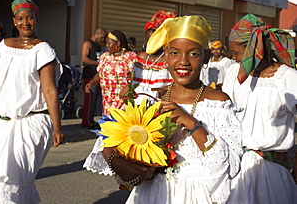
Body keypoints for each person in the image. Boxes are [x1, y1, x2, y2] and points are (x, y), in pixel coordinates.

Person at [84, 16, 242, 204]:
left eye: (193, 54)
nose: (183, 61)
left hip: (197, 196)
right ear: (166, 55)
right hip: (153, 194)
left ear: (206, 56)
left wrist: (190, 122)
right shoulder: (149, 98)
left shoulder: (217, 102)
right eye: (175, 53)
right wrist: (128, 165)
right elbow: (108, 141)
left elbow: (231, 164)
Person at [0, 0, 64, 203]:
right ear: (14, 21)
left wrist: (57, 126)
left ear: (36, 19)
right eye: (20, 19)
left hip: (29, 123)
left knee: (12, 182)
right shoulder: (4, 46)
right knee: (6, 184)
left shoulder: (43, 50)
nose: (25, 23)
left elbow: (50, 89)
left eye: (29, 18)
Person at [222, 14, 297, 204]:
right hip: (235, 170)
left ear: (252, 49)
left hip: (271, 172)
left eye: (236, 52)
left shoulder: (287, 78)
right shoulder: (233, 74)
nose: (233, 57)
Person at [120, 10, 175, 104]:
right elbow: (135, 79)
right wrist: (128, 87)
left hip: (159, 106)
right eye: (146, 40)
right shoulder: (141, 57)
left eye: (151, 40)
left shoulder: (168, 59)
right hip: (137, 104)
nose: (148, 44)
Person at [85, 30, 137, 116]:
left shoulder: (130, 57)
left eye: (109, 43)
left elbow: (139, 77)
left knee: (120, 127)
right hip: (107, 101)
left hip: (123, 100)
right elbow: (99, 73)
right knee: (109, 127)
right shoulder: (104, 57)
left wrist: (128, 87)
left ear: (118, 44)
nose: (106, 46)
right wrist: (92, 83)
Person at [81, 27, 106, 128]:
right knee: (89, 99)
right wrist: (98, 63)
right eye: (102, 37)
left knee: (95, 99)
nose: (103, 40)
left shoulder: (98, 46)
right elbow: (84, 58)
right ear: (97, 34)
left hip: (97, 75)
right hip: (89, 75)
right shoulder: (88, 43)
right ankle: (86, 121)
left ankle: (91, 119)